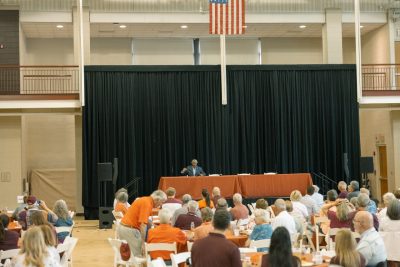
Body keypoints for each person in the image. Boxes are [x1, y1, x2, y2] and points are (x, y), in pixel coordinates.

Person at [118, 190, 167, 256]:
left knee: (134, 255)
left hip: (124, 228)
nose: (161, 205)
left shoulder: (145, 200)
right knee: (140, 254)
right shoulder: (147, 204)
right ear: (157, 199)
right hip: (130, 230)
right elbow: (143, 225)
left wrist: (153, 225)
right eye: (162, 202)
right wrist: (143, 243)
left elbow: (145, 219)